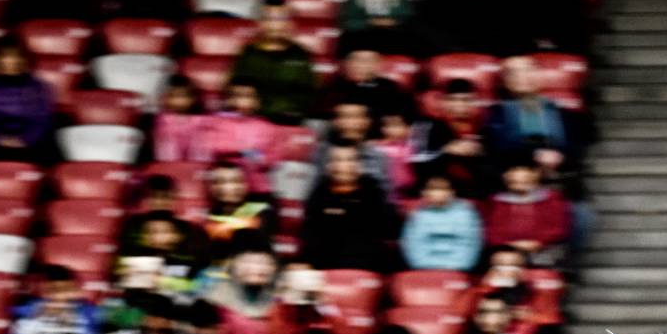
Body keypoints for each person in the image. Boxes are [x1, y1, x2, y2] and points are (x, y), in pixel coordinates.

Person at [301, 142, 401, 272]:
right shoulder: (320, 192)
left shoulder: (372, 190)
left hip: (367, 265)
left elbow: (390, 228)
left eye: (350, 160)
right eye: (338, 160)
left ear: (359, 164)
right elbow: (311, 234)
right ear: (328, 166)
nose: (344, 166)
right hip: (326, 265)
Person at [230, 0, 317, 126]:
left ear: (290, 23)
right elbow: (237, 92)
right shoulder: (249, 53)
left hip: (290, 122)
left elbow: (308, 94)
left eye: (281, 19)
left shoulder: (300, 54)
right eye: (270, 19)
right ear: (260, 23)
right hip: (253, 122)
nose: (275, 25)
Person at [0, 35, 54, 161]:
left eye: (16, 56)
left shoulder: (38, 88)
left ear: (24, 60)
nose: (12, 60)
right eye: (5, 56)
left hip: (31, 147)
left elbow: (41, 121)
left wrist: (25, 140)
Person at [197, 81, 282, 195]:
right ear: (227, 99)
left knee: (259, 211)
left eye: (247, 96)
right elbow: (214, 146)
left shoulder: (268, 127)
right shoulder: (216, 121)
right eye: (235, 96)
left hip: (257, 189)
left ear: (257, 102)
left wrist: (246, 153)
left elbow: (272, 160)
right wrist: (246, 150)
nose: (239, 101)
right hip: (224, 190)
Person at [483, 154, 570, 263]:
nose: (520, 178)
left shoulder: (551, 199)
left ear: (535, 175)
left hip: (544, 250)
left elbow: (557, 228)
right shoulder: (496, 201)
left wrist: (537, 243)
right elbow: (491, 232)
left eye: (525, 178)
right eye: (514, 175)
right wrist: (510, 245)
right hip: (505, 251)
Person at [401, 174, 485, 271]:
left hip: (460, 268)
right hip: (424, 268)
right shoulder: (417, 215)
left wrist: (456, 267)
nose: (438, 193)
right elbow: (413, 246)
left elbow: (470, 245)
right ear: (424, 193)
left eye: (443, 189)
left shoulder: (467, 214)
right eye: (432, 189)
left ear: (452, 193)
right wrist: (425, 267)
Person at [203, 160, 279, 259]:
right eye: (220, 182)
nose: (229, 187)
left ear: (246, 185)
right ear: (211, 187)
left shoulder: (262, 211)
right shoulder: (209, 215)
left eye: (236, 181)